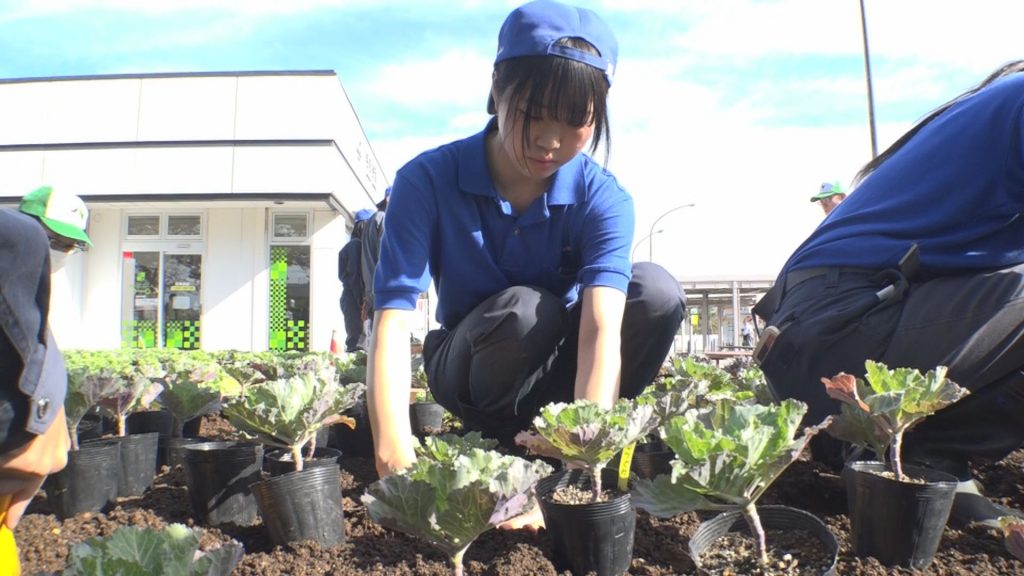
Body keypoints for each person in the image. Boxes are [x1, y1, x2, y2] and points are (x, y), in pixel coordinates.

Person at [366, 0, 684, 517]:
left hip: (555, 383)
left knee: (655, 293)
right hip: (470, 367)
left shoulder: (604, 199)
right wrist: (394, 458)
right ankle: (496, 443)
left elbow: (601, 329)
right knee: (527, 309)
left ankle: (554, 455)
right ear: (497, 89)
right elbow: (394, 319)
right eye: (533, 114)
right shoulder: (427, 179)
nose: (550, 141)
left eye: (575, 122)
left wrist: (576, 475)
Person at [753, 60, 1024, 529]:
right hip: (840, 325)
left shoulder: (999, 104)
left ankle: (869, 442)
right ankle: (925, 455)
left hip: (820, 335)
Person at [0, 186, 90, 532]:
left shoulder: (52, 293)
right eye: (51, 238)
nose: (61, 252)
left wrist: (47, 406)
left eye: (71, 245)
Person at [338, 209, 375, 353]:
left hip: (353, 299)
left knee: (362, 342)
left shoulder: (355, 245)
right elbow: (355, 276)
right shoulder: (356, 246)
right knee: (359, 344)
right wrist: (363, 302)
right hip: (355, 301)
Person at [360, 187, 389, 334]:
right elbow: (386, 256)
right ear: (389, 199)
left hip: (371, 289)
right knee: (383, 337)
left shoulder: (373, 219)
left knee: (375, 337)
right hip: (382, 290)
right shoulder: (384, 219)